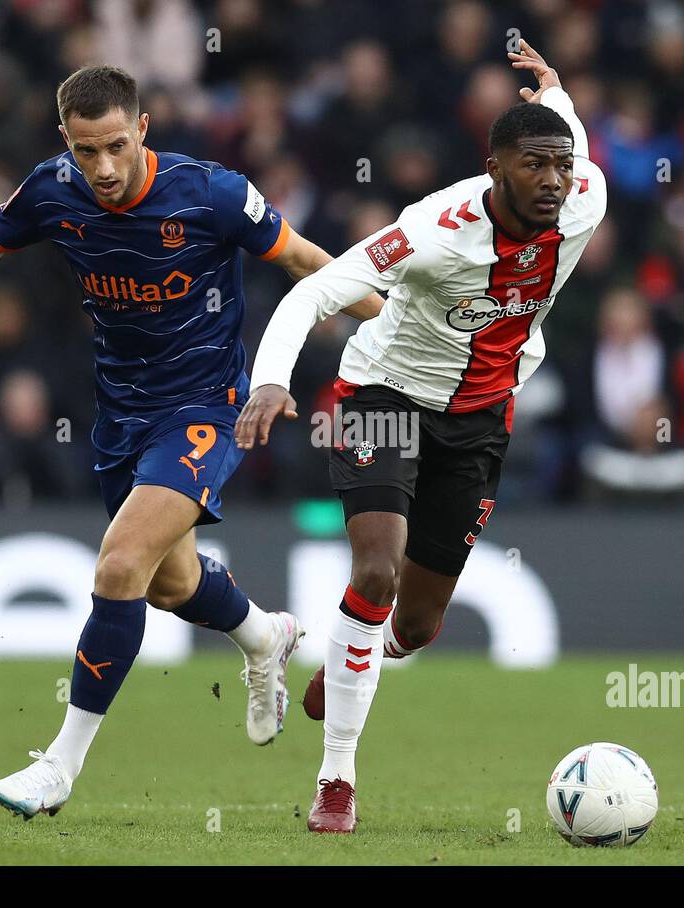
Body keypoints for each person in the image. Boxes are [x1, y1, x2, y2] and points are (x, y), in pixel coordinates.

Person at [0, 65, 383, 820]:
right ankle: (265, 634)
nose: (105, 169)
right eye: (87, 151)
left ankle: (59, 764)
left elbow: (304, 261)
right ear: (68, 141)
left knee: (122, 561)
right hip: (120, 413)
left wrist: (394, 325)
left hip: (206, 408)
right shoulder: (52, 190)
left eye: (117, 146)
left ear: (143, 129)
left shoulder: (212, 193)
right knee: (166, 581)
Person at [235, 40, 607, 833]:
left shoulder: (584, 198)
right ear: (495, 167)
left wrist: (555, 87)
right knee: (375, 569)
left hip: (480, 419)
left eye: (561, 164)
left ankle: (346, 666)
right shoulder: (432, 229)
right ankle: (337, 777)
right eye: (533, 165)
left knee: (417, 624)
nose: (552, 179)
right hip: (383, 395)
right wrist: (271, 378)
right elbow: (315, 292)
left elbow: (560, 123)